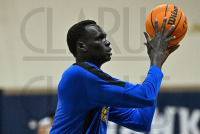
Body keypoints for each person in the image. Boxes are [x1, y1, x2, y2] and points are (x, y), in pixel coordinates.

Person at [50, 18, 179, 134]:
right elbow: (146, 96)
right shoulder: (79, 75)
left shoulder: (96, 90)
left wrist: (157, 64)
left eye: (105, 37)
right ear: (81, 46)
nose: (107, 42)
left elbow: (142, 122)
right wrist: (155, 62)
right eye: (100, 38)